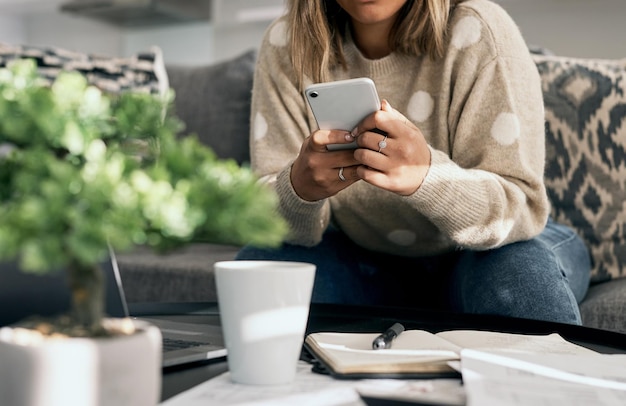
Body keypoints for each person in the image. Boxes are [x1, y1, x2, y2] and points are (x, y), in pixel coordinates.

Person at [236, 0, 591, 325]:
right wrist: (298, 189)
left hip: (486, 251)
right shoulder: (287, 43)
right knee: (258, 267)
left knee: (519, 273)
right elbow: (261, 216)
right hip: (364, 257)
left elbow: (522, 207)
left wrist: (426, 176)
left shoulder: (479, 30)